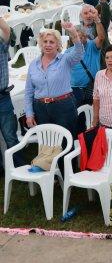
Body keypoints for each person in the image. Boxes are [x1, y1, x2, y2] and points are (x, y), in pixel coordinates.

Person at [24, 23, 83, 137]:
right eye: (45, 42)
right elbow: (28, 92)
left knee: (66, 142)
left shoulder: (65, 59)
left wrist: (74, 34)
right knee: (47, 142)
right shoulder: (33, 64)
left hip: (63, 106)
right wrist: (29, 114)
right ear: (41, 44)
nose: (48, 45)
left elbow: (79, 52)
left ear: (58, 45)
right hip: (40, 108)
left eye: (52, 42)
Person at [0, 14, 25, 171]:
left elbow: (7, 30)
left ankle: (19, 166)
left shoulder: (2, 45)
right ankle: (2, 168)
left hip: (2, 97)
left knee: (10, 135)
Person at [69, 19, 106, 106]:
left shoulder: (92, 46)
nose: (78, 40)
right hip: (75, 89)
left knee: (95, 113)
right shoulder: (68, 52)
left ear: (85, 36)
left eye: (80, 37)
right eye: (75, 37)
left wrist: (97, 20)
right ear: (72, 39)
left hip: (92, 87)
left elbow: (101, 37)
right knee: (81, 116)